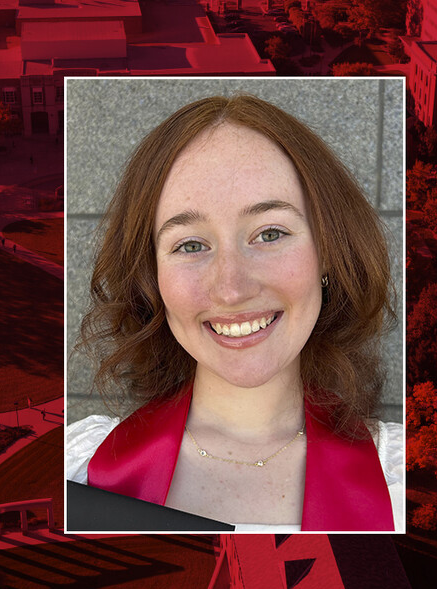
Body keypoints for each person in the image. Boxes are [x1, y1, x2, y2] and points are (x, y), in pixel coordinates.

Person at [66, 93, 400, 532]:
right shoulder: (78, 469)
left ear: (328, 254)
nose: (231, 288)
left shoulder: (405, 481)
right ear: (153, 280)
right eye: (190, 245)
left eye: (270, 233)